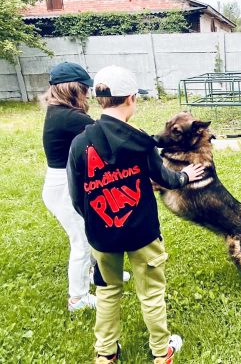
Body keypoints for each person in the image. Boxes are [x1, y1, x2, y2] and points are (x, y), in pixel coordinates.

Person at [67, 65, 205, 363]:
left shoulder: (79, 143)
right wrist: (184, 177)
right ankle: (161, 351)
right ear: (131, 98)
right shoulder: (141, 141)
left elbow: (77, 196)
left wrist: (96, 221)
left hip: (102, 235)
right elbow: (166, 178)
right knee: (151, 293)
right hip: (143, 233)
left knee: (107, 291)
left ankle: (106, 353)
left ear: (99, 100)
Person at [42, 61, 98, 312]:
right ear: (74, 89)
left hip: (66, 182)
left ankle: (99, 276)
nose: (88, 95)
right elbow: (107, 134)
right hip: (63, 187)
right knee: (82, 241)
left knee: (93, 229)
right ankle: (78, 298)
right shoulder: (70, 117)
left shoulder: (58, 112)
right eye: (85, 89)